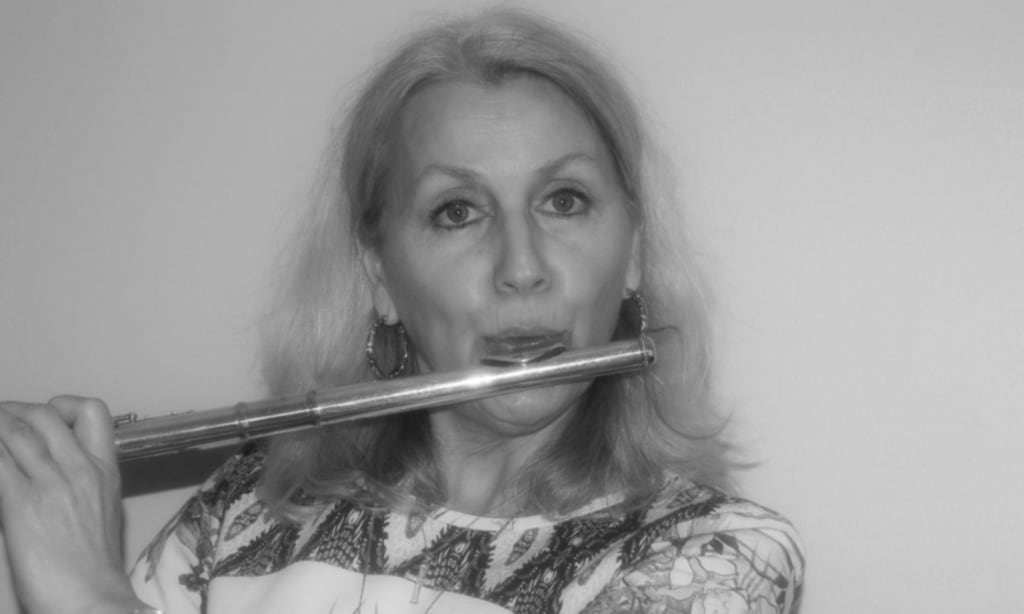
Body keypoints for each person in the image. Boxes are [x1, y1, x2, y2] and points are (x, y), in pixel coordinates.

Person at [0, 8, 804, 614]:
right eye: (458, 211)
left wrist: (84, 593)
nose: (522, 268)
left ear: (631, 253)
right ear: (379, 275)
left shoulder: (715, 557)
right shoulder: (247, 506)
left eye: (564, 201)